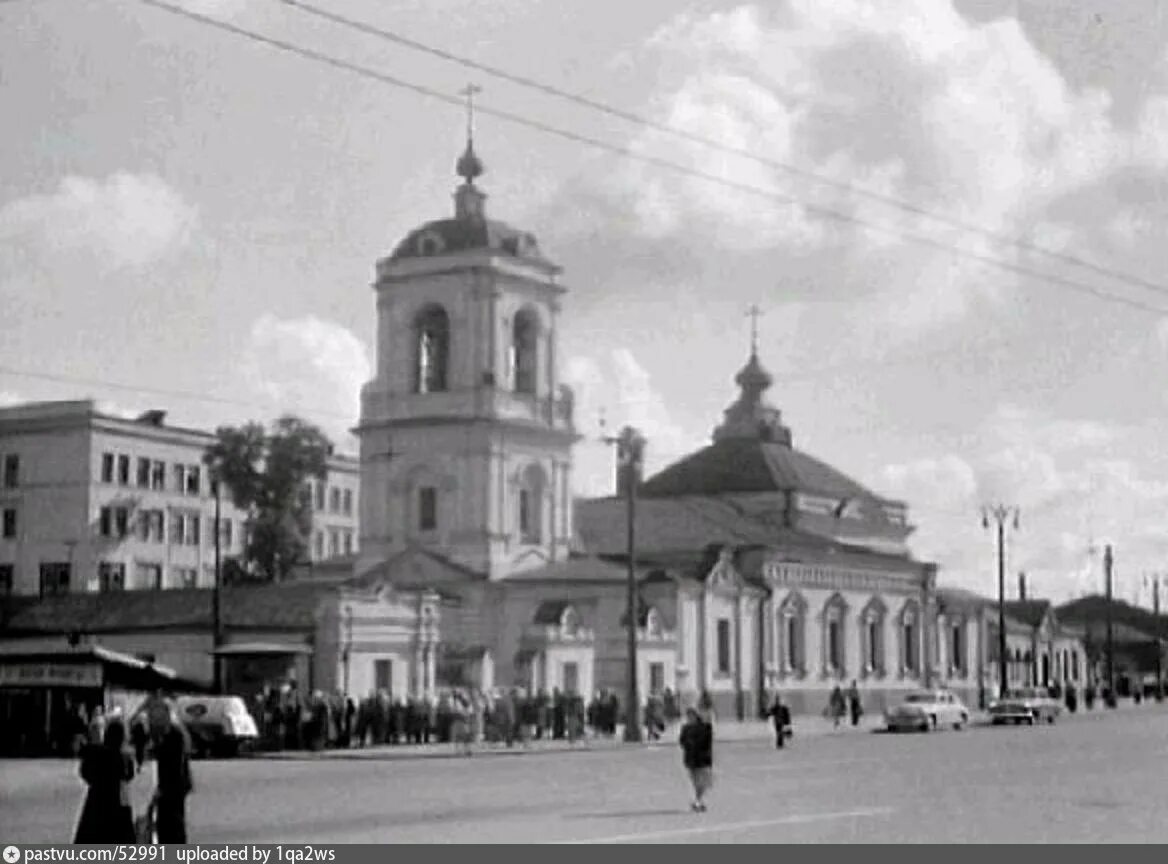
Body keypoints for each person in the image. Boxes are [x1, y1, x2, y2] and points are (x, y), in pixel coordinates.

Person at [75, 717, 137, 843]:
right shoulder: (124, 758)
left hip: (96, 800)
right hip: (117, 801)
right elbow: (129, 776)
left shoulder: (96, 753)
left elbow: (85, 773)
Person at [151, 703, 193, 844]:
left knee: (171, 823)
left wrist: (163, 788)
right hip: (173, 786)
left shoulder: (175, 735)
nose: (156, 719)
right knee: (170, 823)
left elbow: (175, 765)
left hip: (173, 787)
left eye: (159, 716)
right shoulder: (169, 733)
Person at [679, 708, 714, 813]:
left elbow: (707, 742)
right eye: (688, 716)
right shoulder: (685, 728)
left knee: (703, 782)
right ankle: (698, 800)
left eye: (691, 716)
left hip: (703, 759)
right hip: (691, 759)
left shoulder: (705, 727)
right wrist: (688, 745)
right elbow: (682, 741)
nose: (689, 718)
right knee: (695, 782)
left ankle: (698, 800)